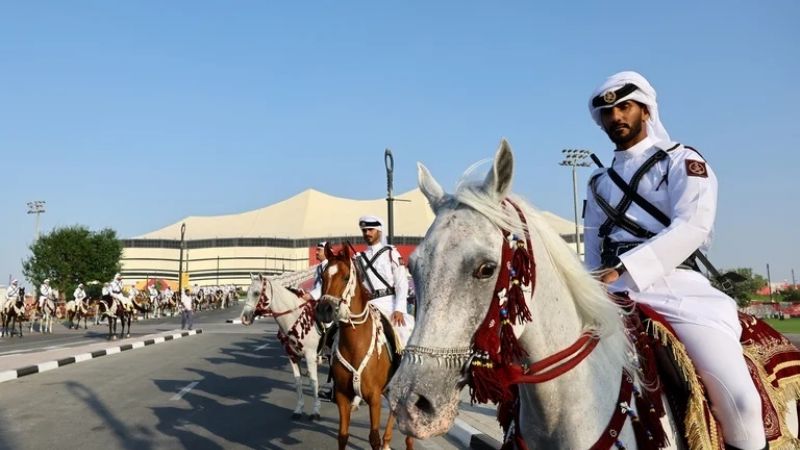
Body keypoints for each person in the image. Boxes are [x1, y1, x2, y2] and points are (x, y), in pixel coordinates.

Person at [583, 71, 765, 450]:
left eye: (624, 107)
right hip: (612, 296)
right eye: (607, 112)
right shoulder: (597, 182)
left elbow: (693, 226)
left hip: (679, 291)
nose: (615, 117)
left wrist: (627, 267)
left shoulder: (680, 159)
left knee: (742, 403)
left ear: (645, 110)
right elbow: (593, 249)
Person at [355, 215, 414, 346]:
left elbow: (401, 283)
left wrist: (399, 309)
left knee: (403, 336)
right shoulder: (358, 257)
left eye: (371, 230)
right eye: (364, 230)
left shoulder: (390, 253)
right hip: (367, 306)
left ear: (379, 231)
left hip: (389, 305)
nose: (367, 233)